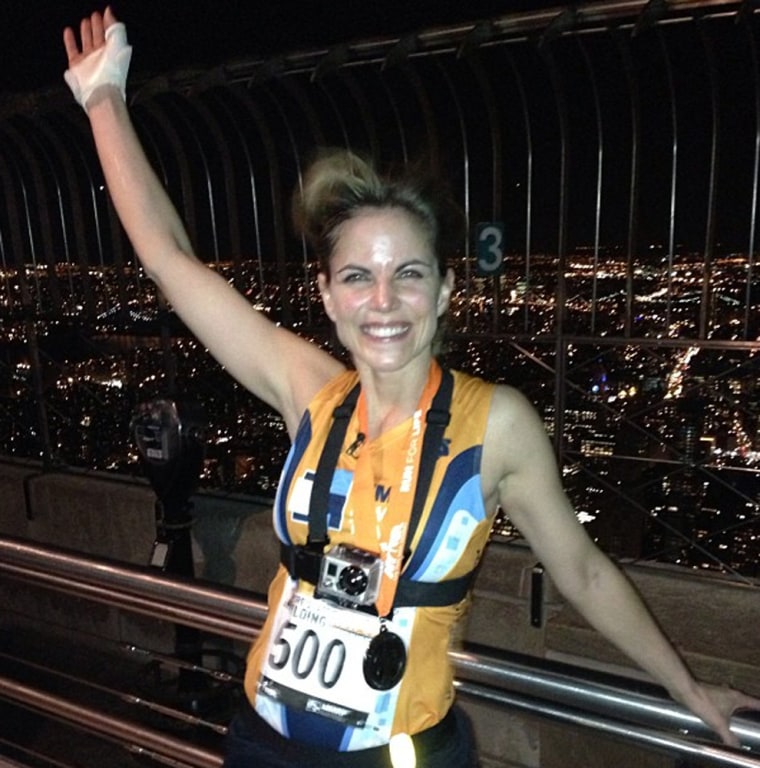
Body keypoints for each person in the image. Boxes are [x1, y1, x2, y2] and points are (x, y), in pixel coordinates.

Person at [62, 8, 759, 767]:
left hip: (400, 751)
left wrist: (690, 692)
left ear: (446, 289)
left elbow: (584, 571)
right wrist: (103, 100)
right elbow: (170, 261)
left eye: (409, 274)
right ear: (327, 295)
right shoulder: (309, 390)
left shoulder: (494, 424)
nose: (384, 301)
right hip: (262, 739)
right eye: (358, 277)